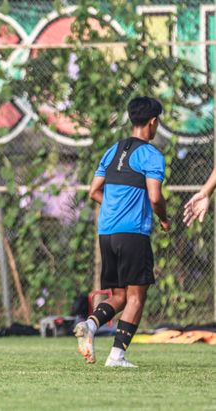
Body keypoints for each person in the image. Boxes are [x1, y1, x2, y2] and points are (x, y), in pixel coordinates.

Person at [74, 96, 170, 368]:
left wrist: (116, 208)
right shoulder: (151, 154)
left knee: (119, 296)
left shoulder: (112, 151)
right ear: (153, 122)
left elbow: (94, 191)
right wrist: (164, 219)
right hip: (133, 234)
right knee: (137, 296)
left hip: (107, 232)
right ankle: (117, 356)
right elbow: (154, 197)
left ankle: (90, 325)